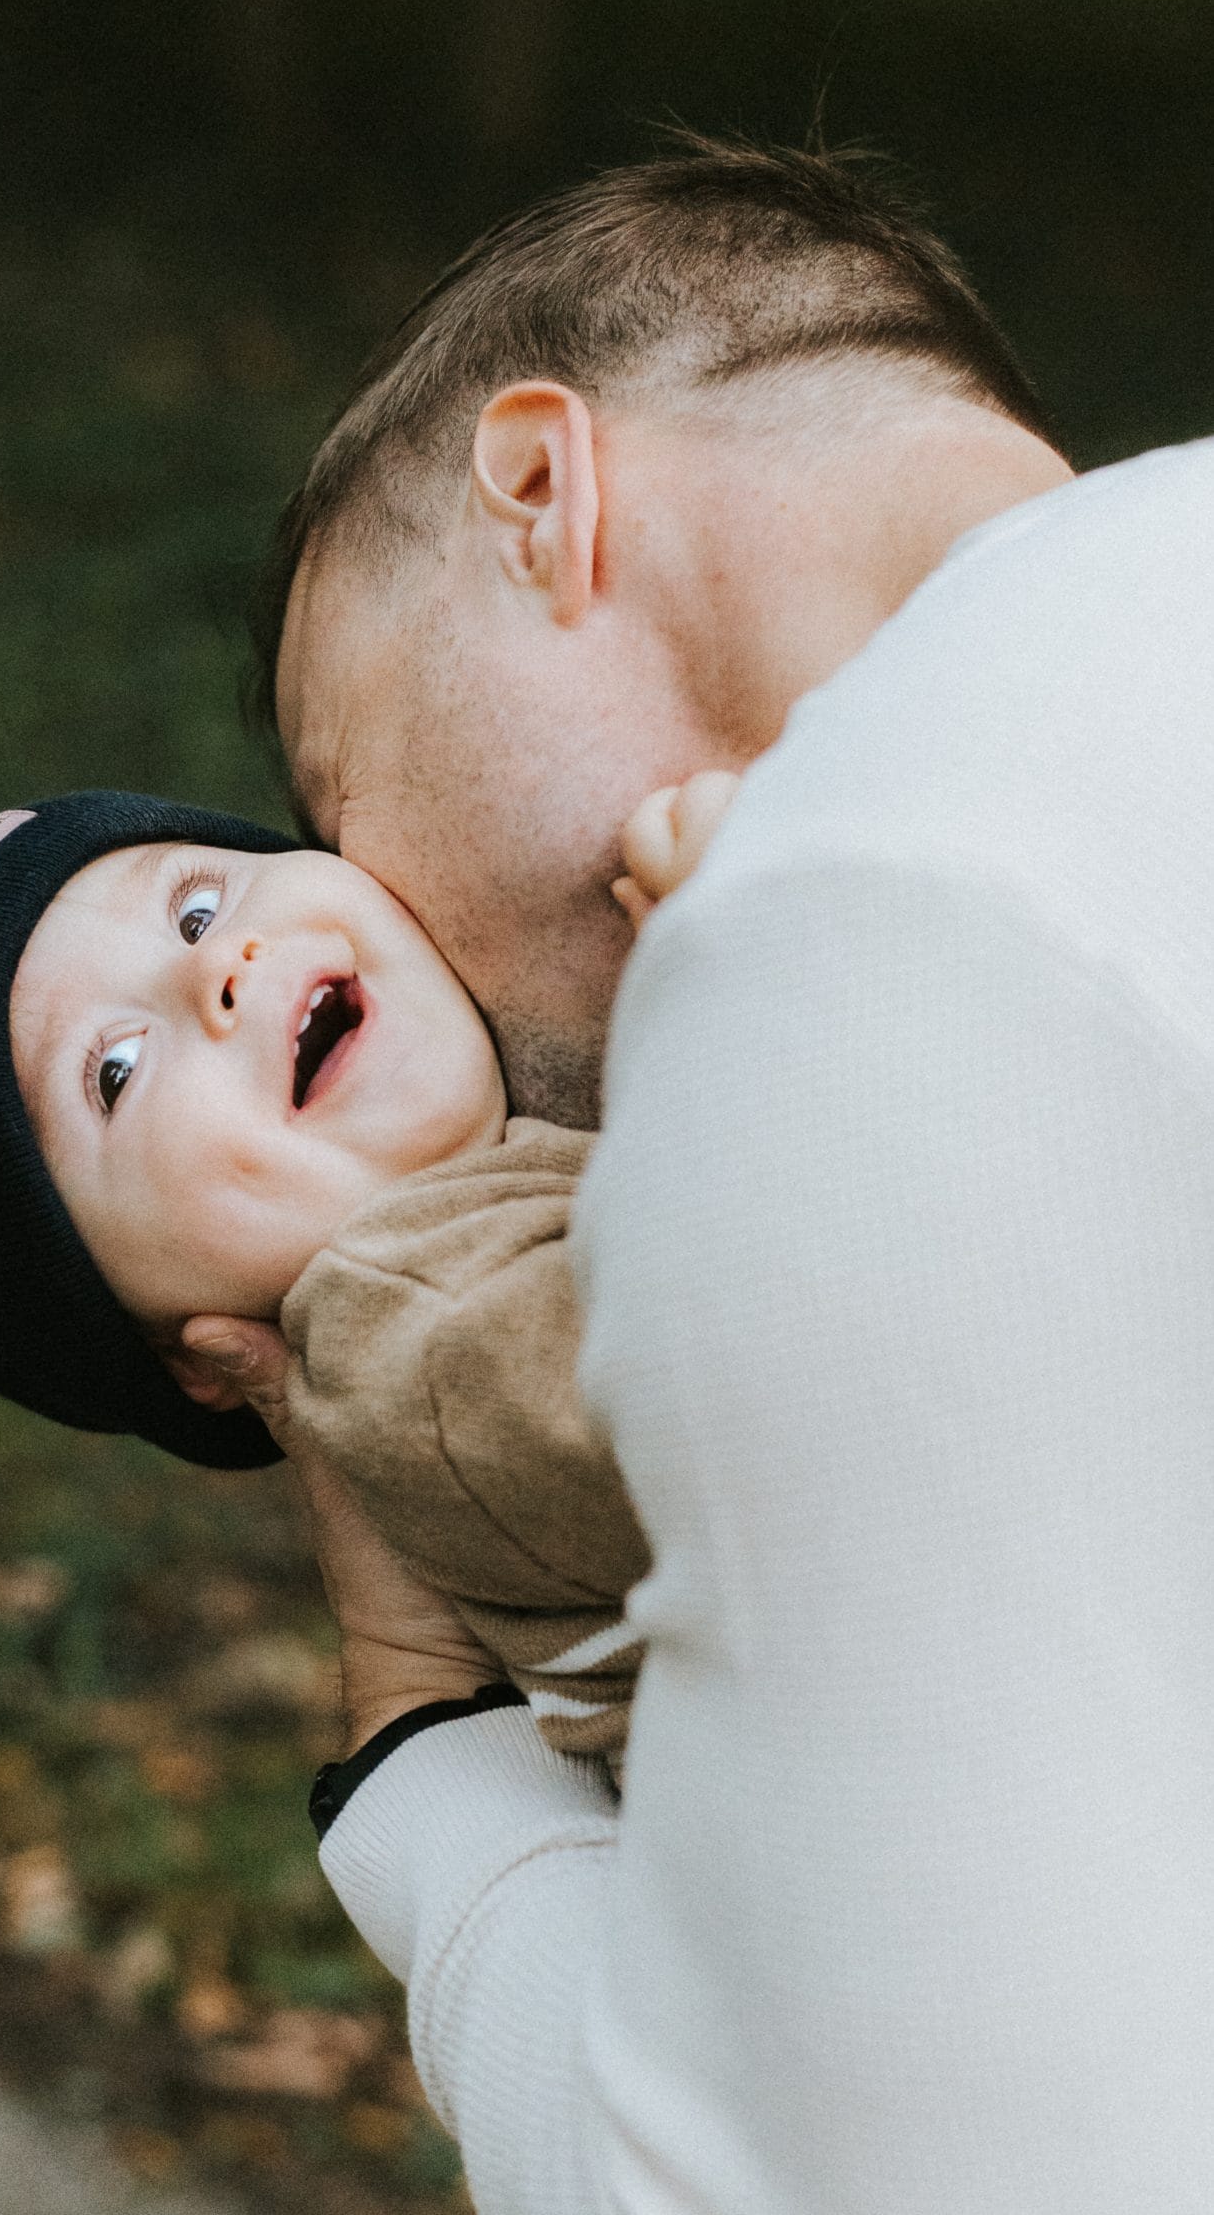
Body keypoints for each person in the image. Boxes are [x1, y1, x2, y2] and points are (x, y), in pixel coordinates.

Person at [196, 140, 1214, 2212]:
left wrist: (423, 1756)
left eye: (340, 784)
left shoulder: (827, 957)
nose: (368, 900)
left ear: (536, 493)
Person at [0, 776, 732, 1768]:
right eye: (114, 1071)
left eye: (196, 906)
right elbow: (756, 1364)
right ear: (194, 1359)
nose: (216, 966)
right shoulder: (422, 1347)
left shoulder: (517, 1190)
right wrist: (746, 965)